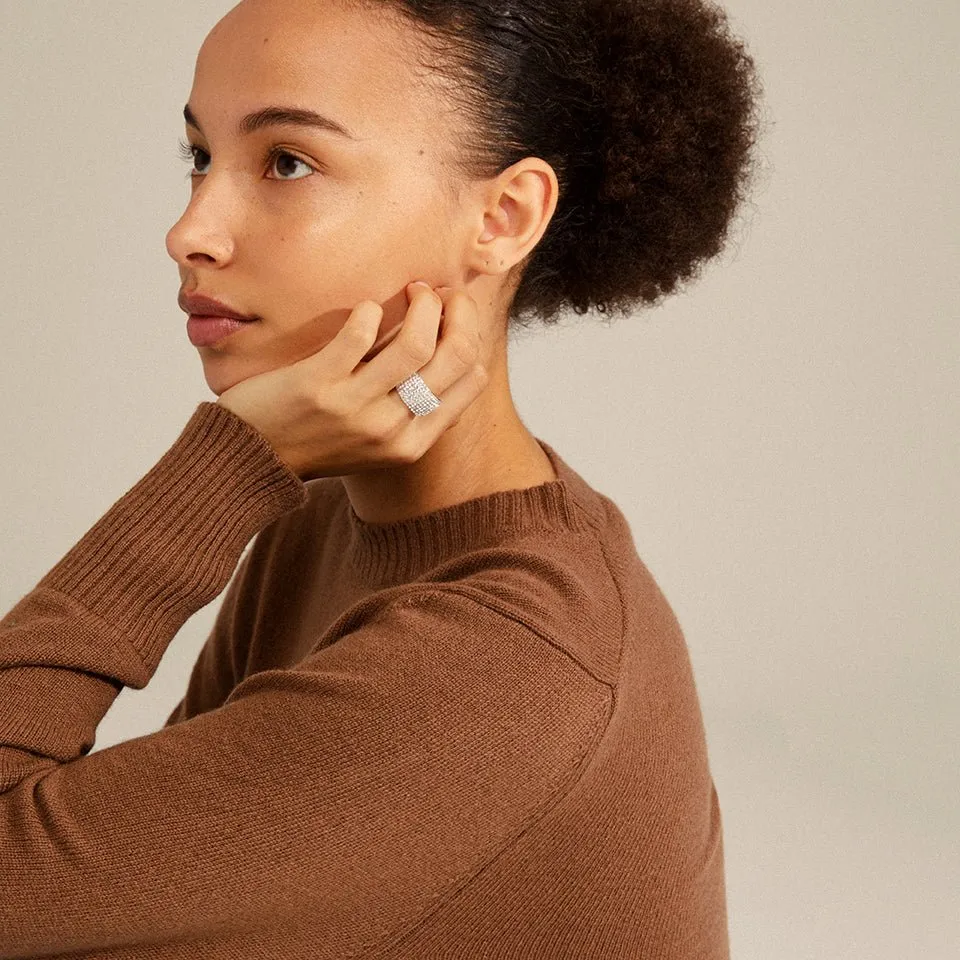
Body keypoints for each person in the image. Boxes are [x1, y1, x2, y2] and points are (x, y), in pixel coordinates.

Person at [0, 0, 763, 956]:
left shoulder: (508, 660)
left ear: (502, 217)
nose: (189, 230)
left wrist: (221, 469)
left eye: (286, 162)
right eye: (200, 156)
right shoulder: (324, 520)